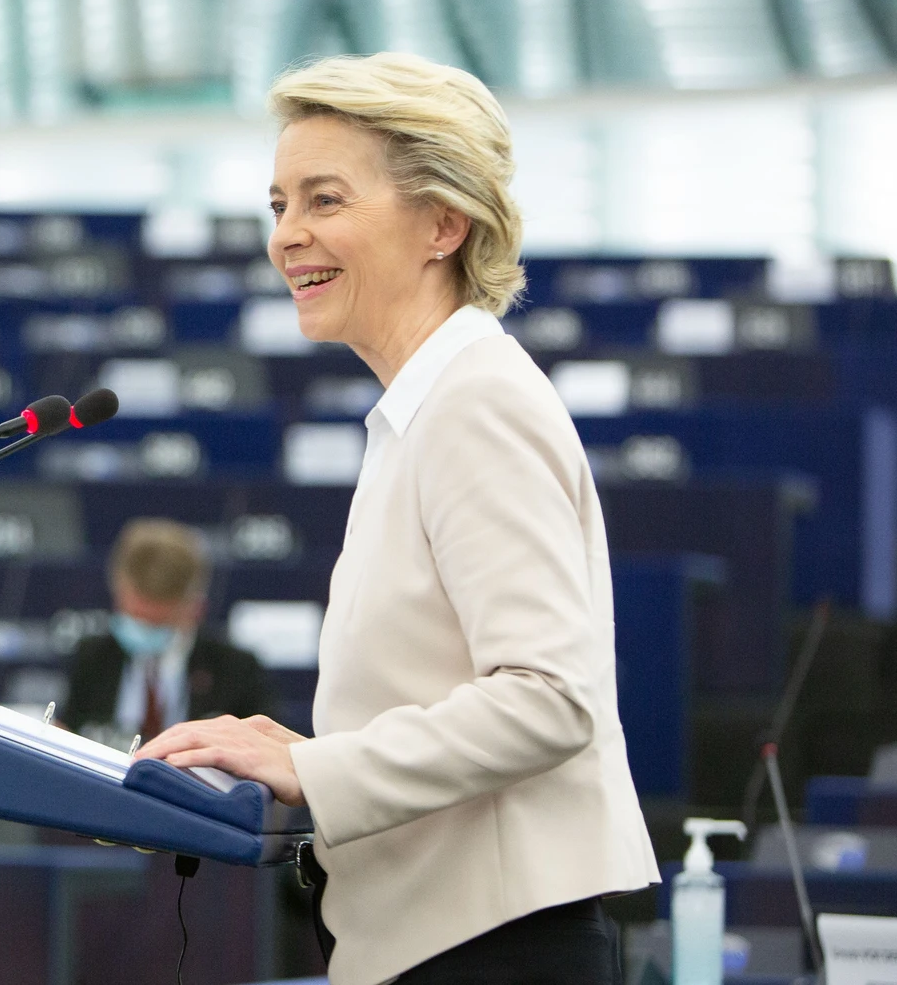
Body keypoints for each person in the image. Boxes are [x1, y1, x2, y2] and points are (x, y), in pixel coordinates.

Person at [136, 52, 659, 985]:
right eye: (277, 205)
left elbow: (549, 696)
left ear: (443, 224)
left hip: (494, 950)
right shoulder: (425, 407)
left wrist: (322, 772)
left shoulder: (476, 403)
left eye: (324, 200)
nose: (287, 236)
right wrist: (315, 752)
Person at [64, 518, 272, 750]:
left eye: (159, 623)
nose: (144, 631)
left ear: (196, 608)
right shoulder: (92, 658)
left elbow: (263, 755)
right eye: (136, 618)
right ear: (118, 594)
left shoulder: (236, 670)